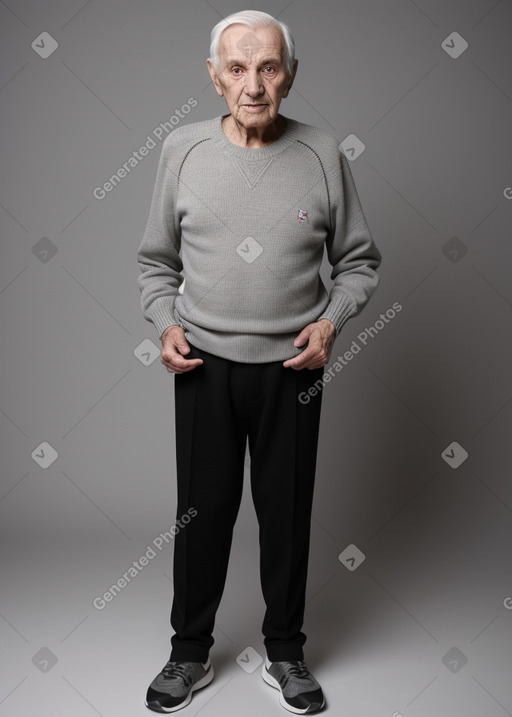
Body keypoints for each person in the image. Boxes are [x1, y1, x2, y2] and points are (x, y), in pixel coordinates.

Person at [137, 9, 381, 714]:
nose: (254, 84)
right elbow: (156, 263)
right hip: (203, 366)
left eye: (269, 67)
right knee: (200, 512)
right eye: (238, 68)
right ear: (213, 78)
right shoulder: (180, 150)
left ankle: (287, 651)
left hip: (293, 370)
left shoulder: (323, 152)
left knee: (287, 511)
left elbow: (360, 262)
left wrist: (331, 323)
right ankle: (189, 653)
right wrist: (163, 324)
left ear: (291, 75)